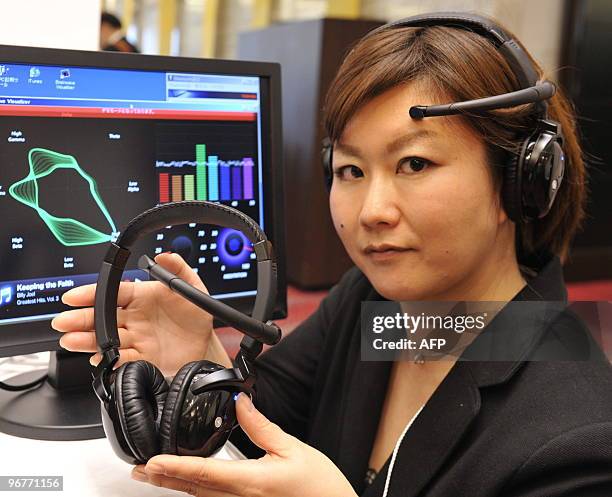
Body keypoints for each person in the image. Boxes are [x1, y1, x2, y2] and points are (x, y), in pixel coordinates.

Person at [52, 12, 612, 497]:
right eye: (351, 170)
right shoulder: (375, 307)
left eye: (414, 164)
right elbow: (276, 416)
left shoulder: (578, 443)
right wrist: (207, 359)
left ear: (523, 181)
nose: (371, 210)